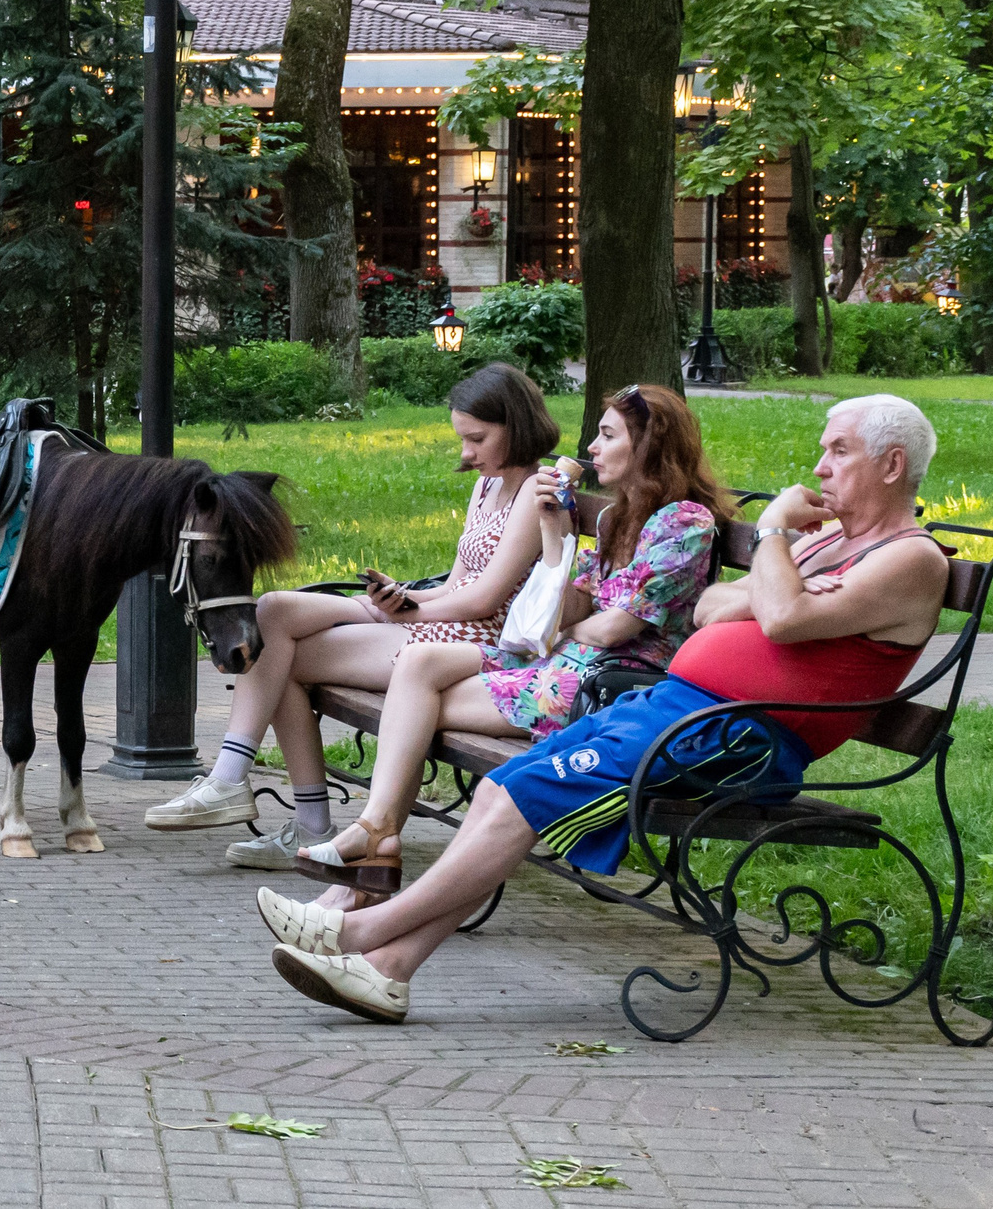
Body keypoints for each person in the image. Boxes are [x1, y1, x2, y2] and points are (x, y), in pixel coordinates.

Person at [259, 394, 952, 1025]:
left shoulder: (910, 560)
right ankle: (387, 971)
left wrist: (772, 542)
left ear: (892, 465)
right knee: (505, 787)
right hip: (677, 709)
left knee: (527, 794)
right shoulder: (832, 544)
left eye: (839, 451)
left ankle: (360, 931)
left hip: (735, 738)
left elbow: (780, 617)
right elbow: (713, 608)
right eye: (825, 449)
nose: (820, 467)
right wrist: (775, 592)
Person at [295, 383, 728, 901]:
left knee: (414, 708)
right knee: (419, 662)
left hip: (607, 688)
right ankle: (375, 837)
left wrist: (564, 628)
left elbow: (612, 630)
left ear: (650, 445)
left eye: (608, 435)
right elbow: (570, 612)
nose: (591, 447)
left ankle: (368, 861)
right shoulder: (616, 518)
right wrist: (554, 533)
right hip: (559, 666)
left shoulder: (684, 522)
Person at [144, 362, 560, 865]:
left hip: (477, 642)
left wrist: (407, 615)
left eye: (477, 439)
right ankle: (237, 783)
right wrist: (399, 596)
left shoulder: (536, 490)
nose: (466, 454)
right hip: (441, 620)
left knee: (276, 655)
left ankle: (282, 809)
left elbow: (483, 601)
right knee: (274, 610)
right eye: (462, 439)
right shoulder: (487, 485)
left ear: (516, 426)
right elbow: (455, 585)